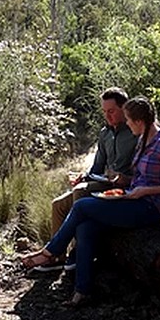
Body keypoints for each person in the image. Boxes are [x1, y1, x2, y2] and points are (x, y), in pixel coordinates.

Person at [21, 96, 160, 306]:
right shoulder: (142, 139)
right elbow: (139, 177)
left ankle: (51, 252)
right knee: (85, 227)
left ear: (139, 121)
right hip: (131, 199)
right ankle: (82, 292)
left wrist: (146, 190)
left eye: (128, 120)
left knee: (81, 205)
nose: (126, 124)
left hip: (149, 208)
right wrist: (124, 181)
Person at [34, 87, 137, 272]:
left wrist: (125, 178)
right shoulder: (105, 133)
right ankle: (56, 257)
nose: (108, 116)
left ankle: (78, 253)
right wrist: (83, 175)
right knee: (58, 204)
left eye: (111, 111)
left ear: (124, 108)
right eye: (104, 111)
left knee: (80, 191)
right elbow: (98, 166)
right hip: (103, 183)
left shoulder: (135, 132)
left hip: (123, 188)